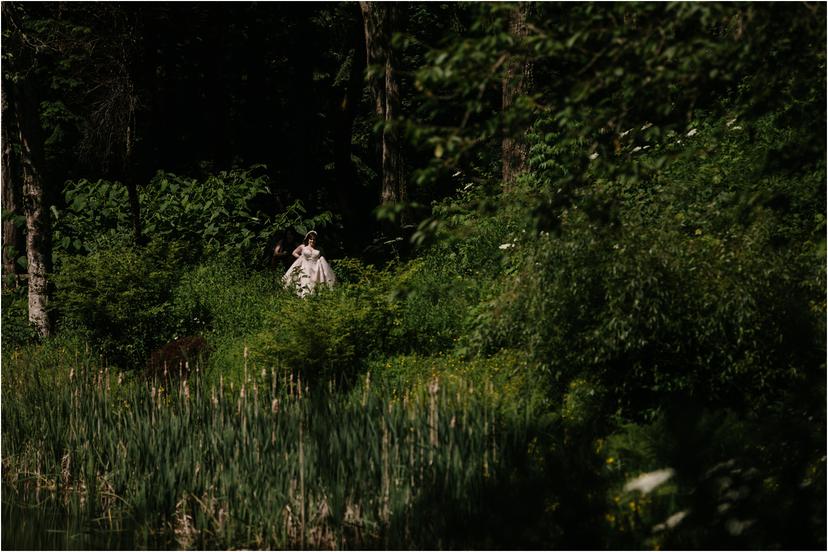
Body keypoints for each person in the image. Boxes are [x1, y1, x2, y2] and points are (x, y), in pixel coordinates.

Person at [282, 230, 336, 297]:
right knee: (305, 279)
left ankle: (314, 295)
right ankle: (303, 295)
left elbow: (323, 258)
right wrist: (301, 258)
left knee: (314, 281)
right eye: (311, 239)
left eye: (314, 239)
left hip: (315, 267)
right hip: (305, 266)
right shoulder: (303, 246)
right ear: (308, 239)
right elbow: (294, 253)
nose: (312, 241)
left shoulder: (319, 248)